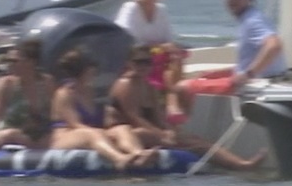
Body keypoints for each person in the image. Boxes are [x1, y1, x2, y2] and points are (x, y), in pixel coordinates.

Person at [105, 44, 264, 171]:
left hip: (145, 130)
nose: (143, 66)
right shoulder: (126, 84)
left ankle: (238, 163)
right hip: (124, 133)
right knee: (184, 142)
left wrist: (169, 130)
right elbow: (134, 117)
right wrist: (162, 134)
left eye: (147, 62)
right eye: (138, 62)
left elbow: (158, 115)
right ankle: (239, 165)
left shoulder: (149, 86)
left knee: (192, 139)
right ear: (129, 63)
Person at [49, 48, 156, 169]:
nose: (94, 72)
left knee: (122, 128)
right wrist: (102, 133)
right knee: (91, 133)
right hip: (65, 138)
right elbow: (76, 125)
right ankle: (119, 159)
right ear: (83, 70)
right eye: (91, 69)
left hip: (92, 133)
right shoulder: (64, 94)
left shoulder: (89, 91)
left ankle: (138, 154)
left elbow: (101, 123)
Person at [113, 0, 189, 122]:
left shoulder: (161, 10)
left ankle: (171, 101)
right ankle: (172, 102)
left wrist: (166, 48)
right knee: (166, 61)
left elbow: (169, 39)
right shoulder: (130, 9)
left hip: (159, 60)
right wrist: (159, 47)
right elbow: (127, 40)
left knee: (176, 57)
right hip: (138, 60)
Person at [0, 39, 55, 154]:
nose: (9, 64)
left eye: (14, 61)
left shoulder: (47, 82)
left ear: (31, 62)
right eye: (8, 61)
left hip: (37, 136)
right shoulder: (4, 84)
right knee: (9, 134)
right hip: (9, 135)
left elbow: (55, 114)